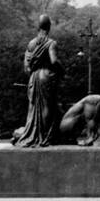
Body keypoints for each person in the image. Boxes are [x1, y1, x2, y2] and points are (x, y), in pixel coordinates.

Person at [12, 14, 63, 147]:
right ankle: (45, 138)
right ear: (49, 27)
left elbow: (26, 67)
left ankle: (33, 135)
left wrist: (33, 70)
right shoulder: (51, 43)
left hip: (33, 78)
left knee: (33, 107)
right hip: (46, 75)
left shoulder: (31, 44)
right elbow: (54, 61)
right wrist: (62, 69)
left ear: (38, 27)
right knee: (47, 107)